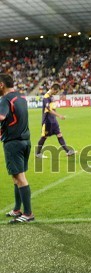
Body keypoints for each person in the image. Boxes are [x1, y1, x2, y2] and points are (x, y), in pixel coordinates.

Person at [0, 74, 35, 223]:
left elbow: (1, 117)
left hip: (13, 143)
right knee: (16, 177)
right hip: (25, 141)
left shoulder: (5, 99)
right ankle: (17, 209)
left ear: (1, 84)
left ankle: (28, 214)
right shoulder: (21, 97)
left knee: (20, 178)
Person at [35, 83, 76, 158]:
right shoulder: (46, 97)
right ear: (52, 89)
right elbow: (49, 110)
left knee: (59, 134)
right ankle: (38, 153)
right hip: (47, 121)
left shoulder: (52, 97)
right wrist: (59, 115)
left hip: (53, 120)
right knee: (44, 137)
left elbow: (53, 108)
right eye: (56, 91)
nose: (56, 93)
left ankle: (68, 151)